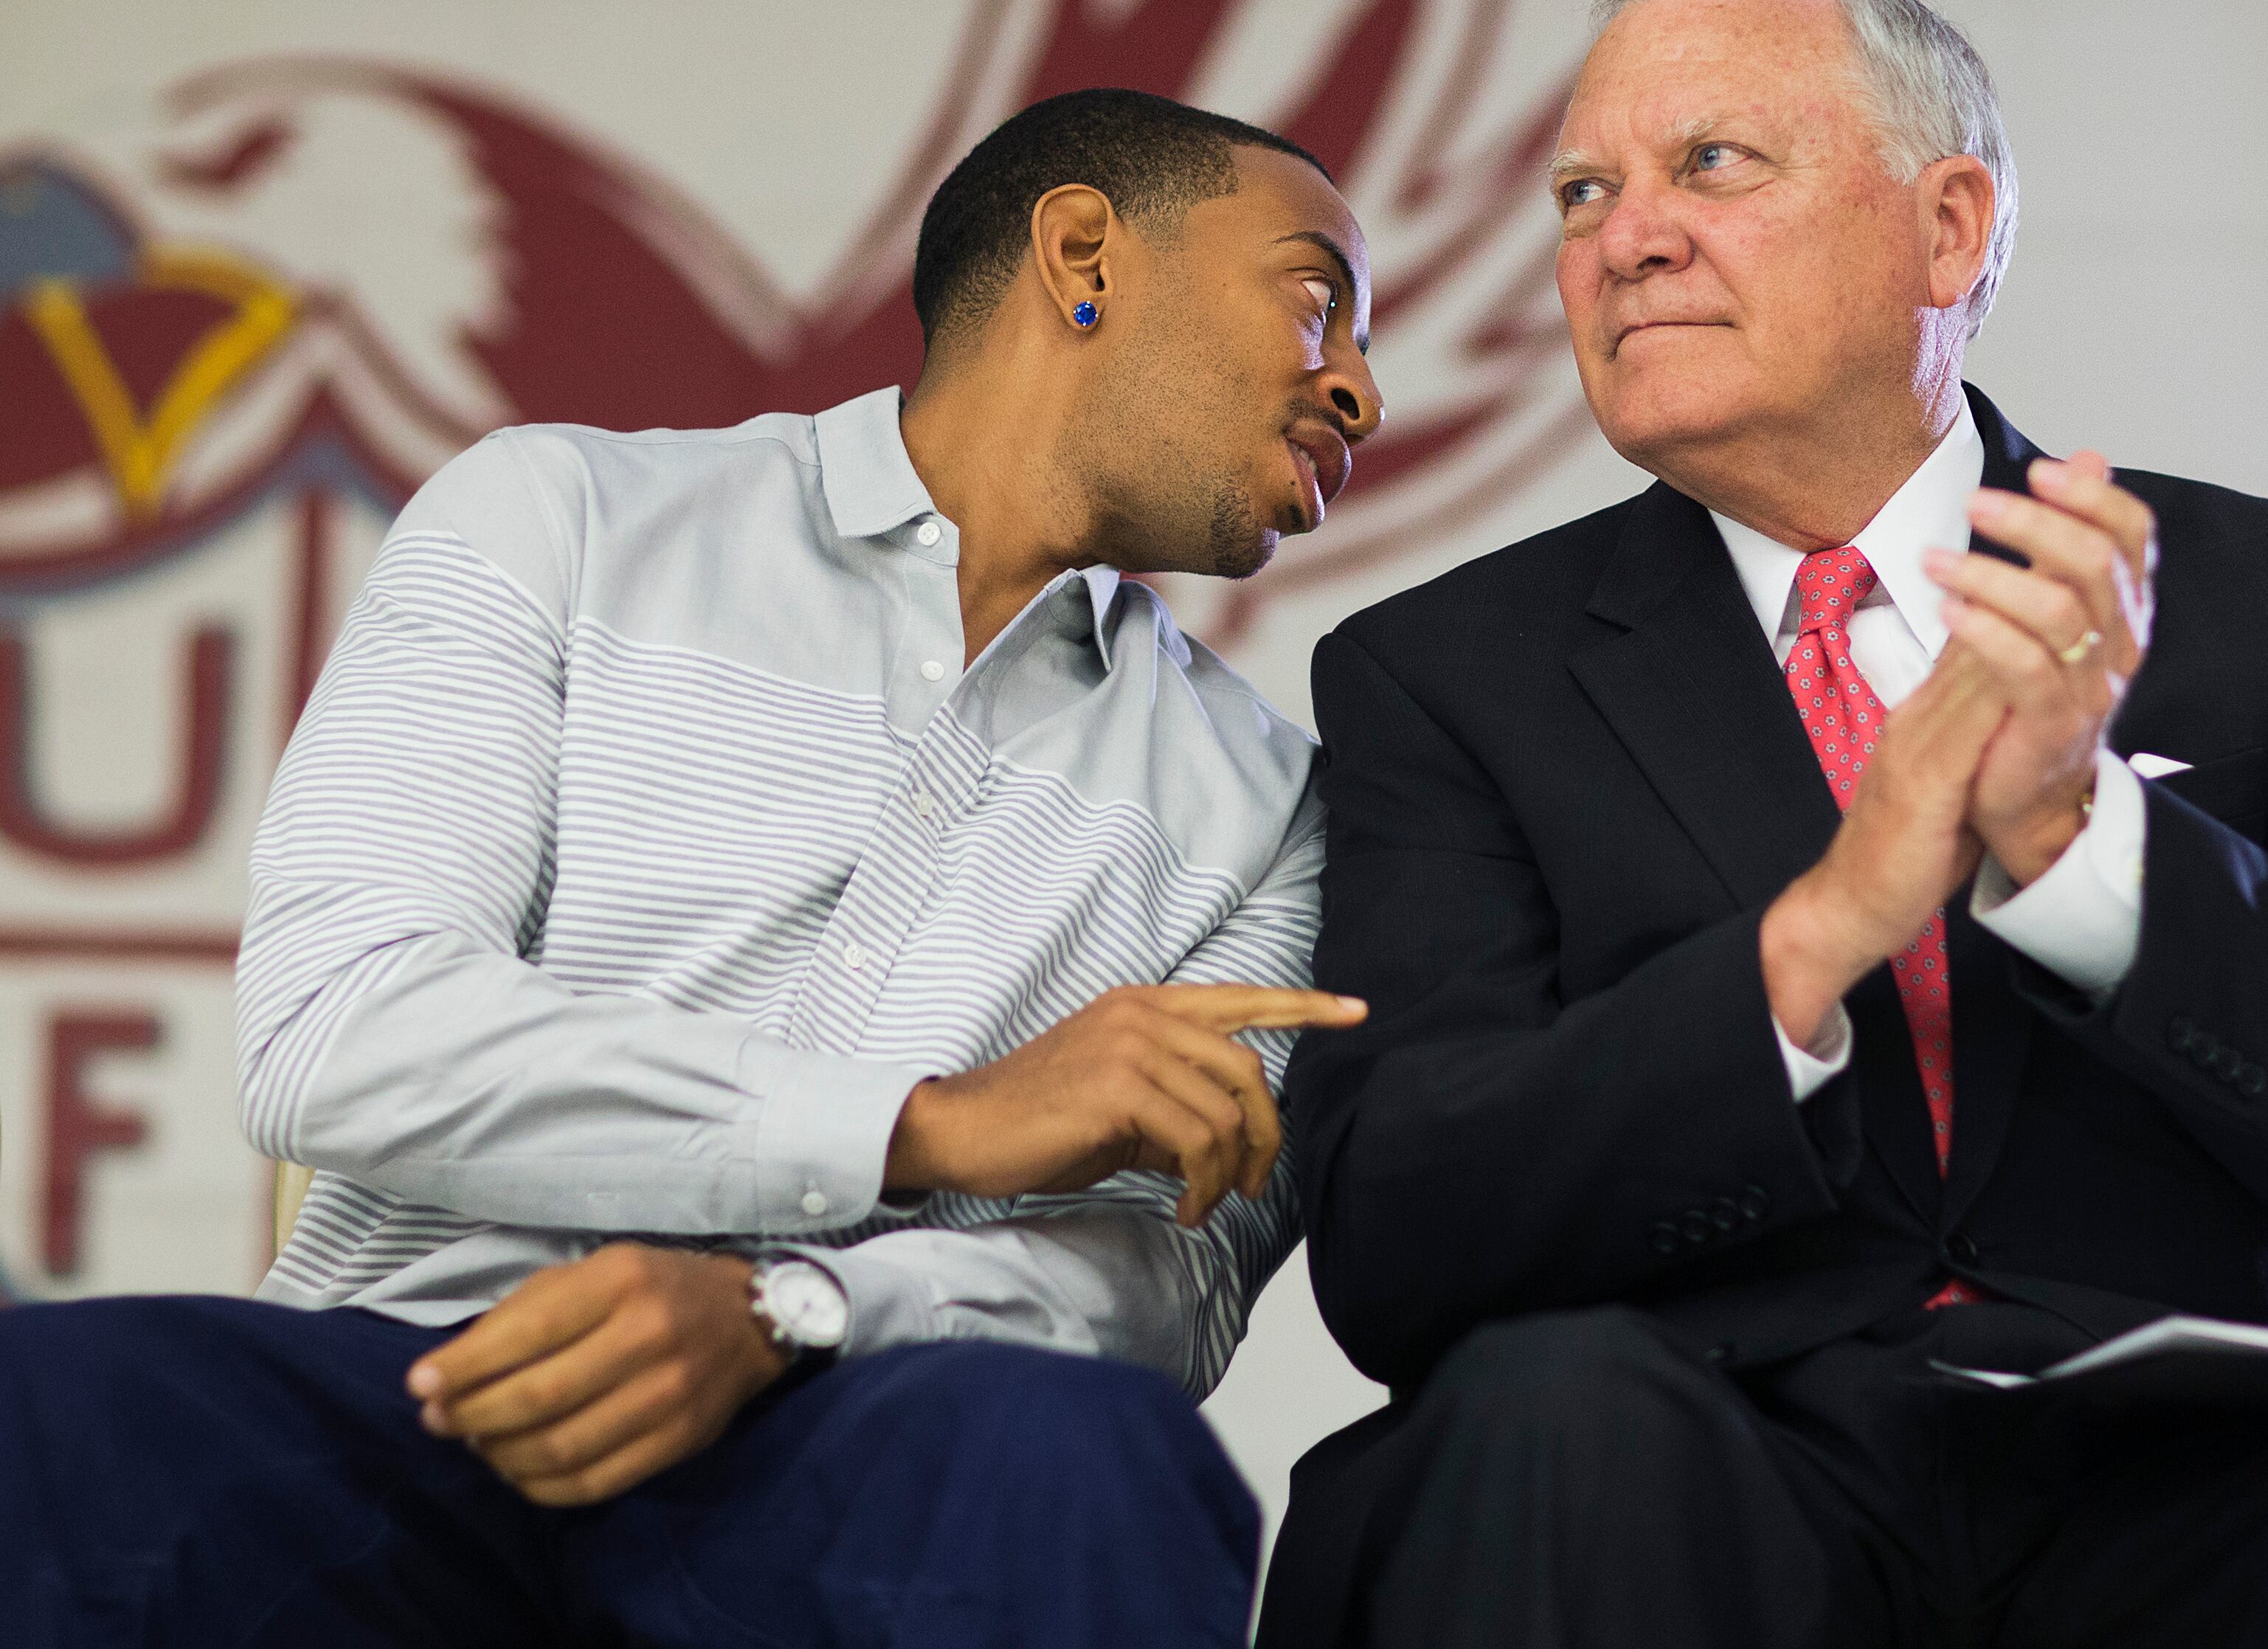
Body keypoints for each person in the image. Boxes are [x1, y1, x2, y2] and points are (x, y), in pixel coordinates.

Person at [1259, 0, 2268, 1649]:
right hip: (1703, 1459)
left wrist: (2079, 843)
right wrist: (1812, 942)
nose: (1622, 237)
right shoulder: (1445, 670)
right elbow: (1398, 1235)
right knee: (1552, 1410)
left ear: (1948, 228)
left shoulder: (2265, 595)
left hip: (2180, 1479)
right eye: (1584, 190)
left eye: (1710, 164)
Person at [0, 87, 1383, 1648]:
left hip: (853, 1437)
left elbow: (1171, 1287)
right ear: (1084, 255)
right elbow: (342, 1027)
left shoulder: (1273, 805)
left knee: (1087, 1460)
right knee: (45, 1418)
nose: (1360, 390)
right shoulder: (564, 517)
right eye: (1317, 300)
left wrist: (793, 1313)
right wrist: (922, 1131)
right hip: (409, 1385)